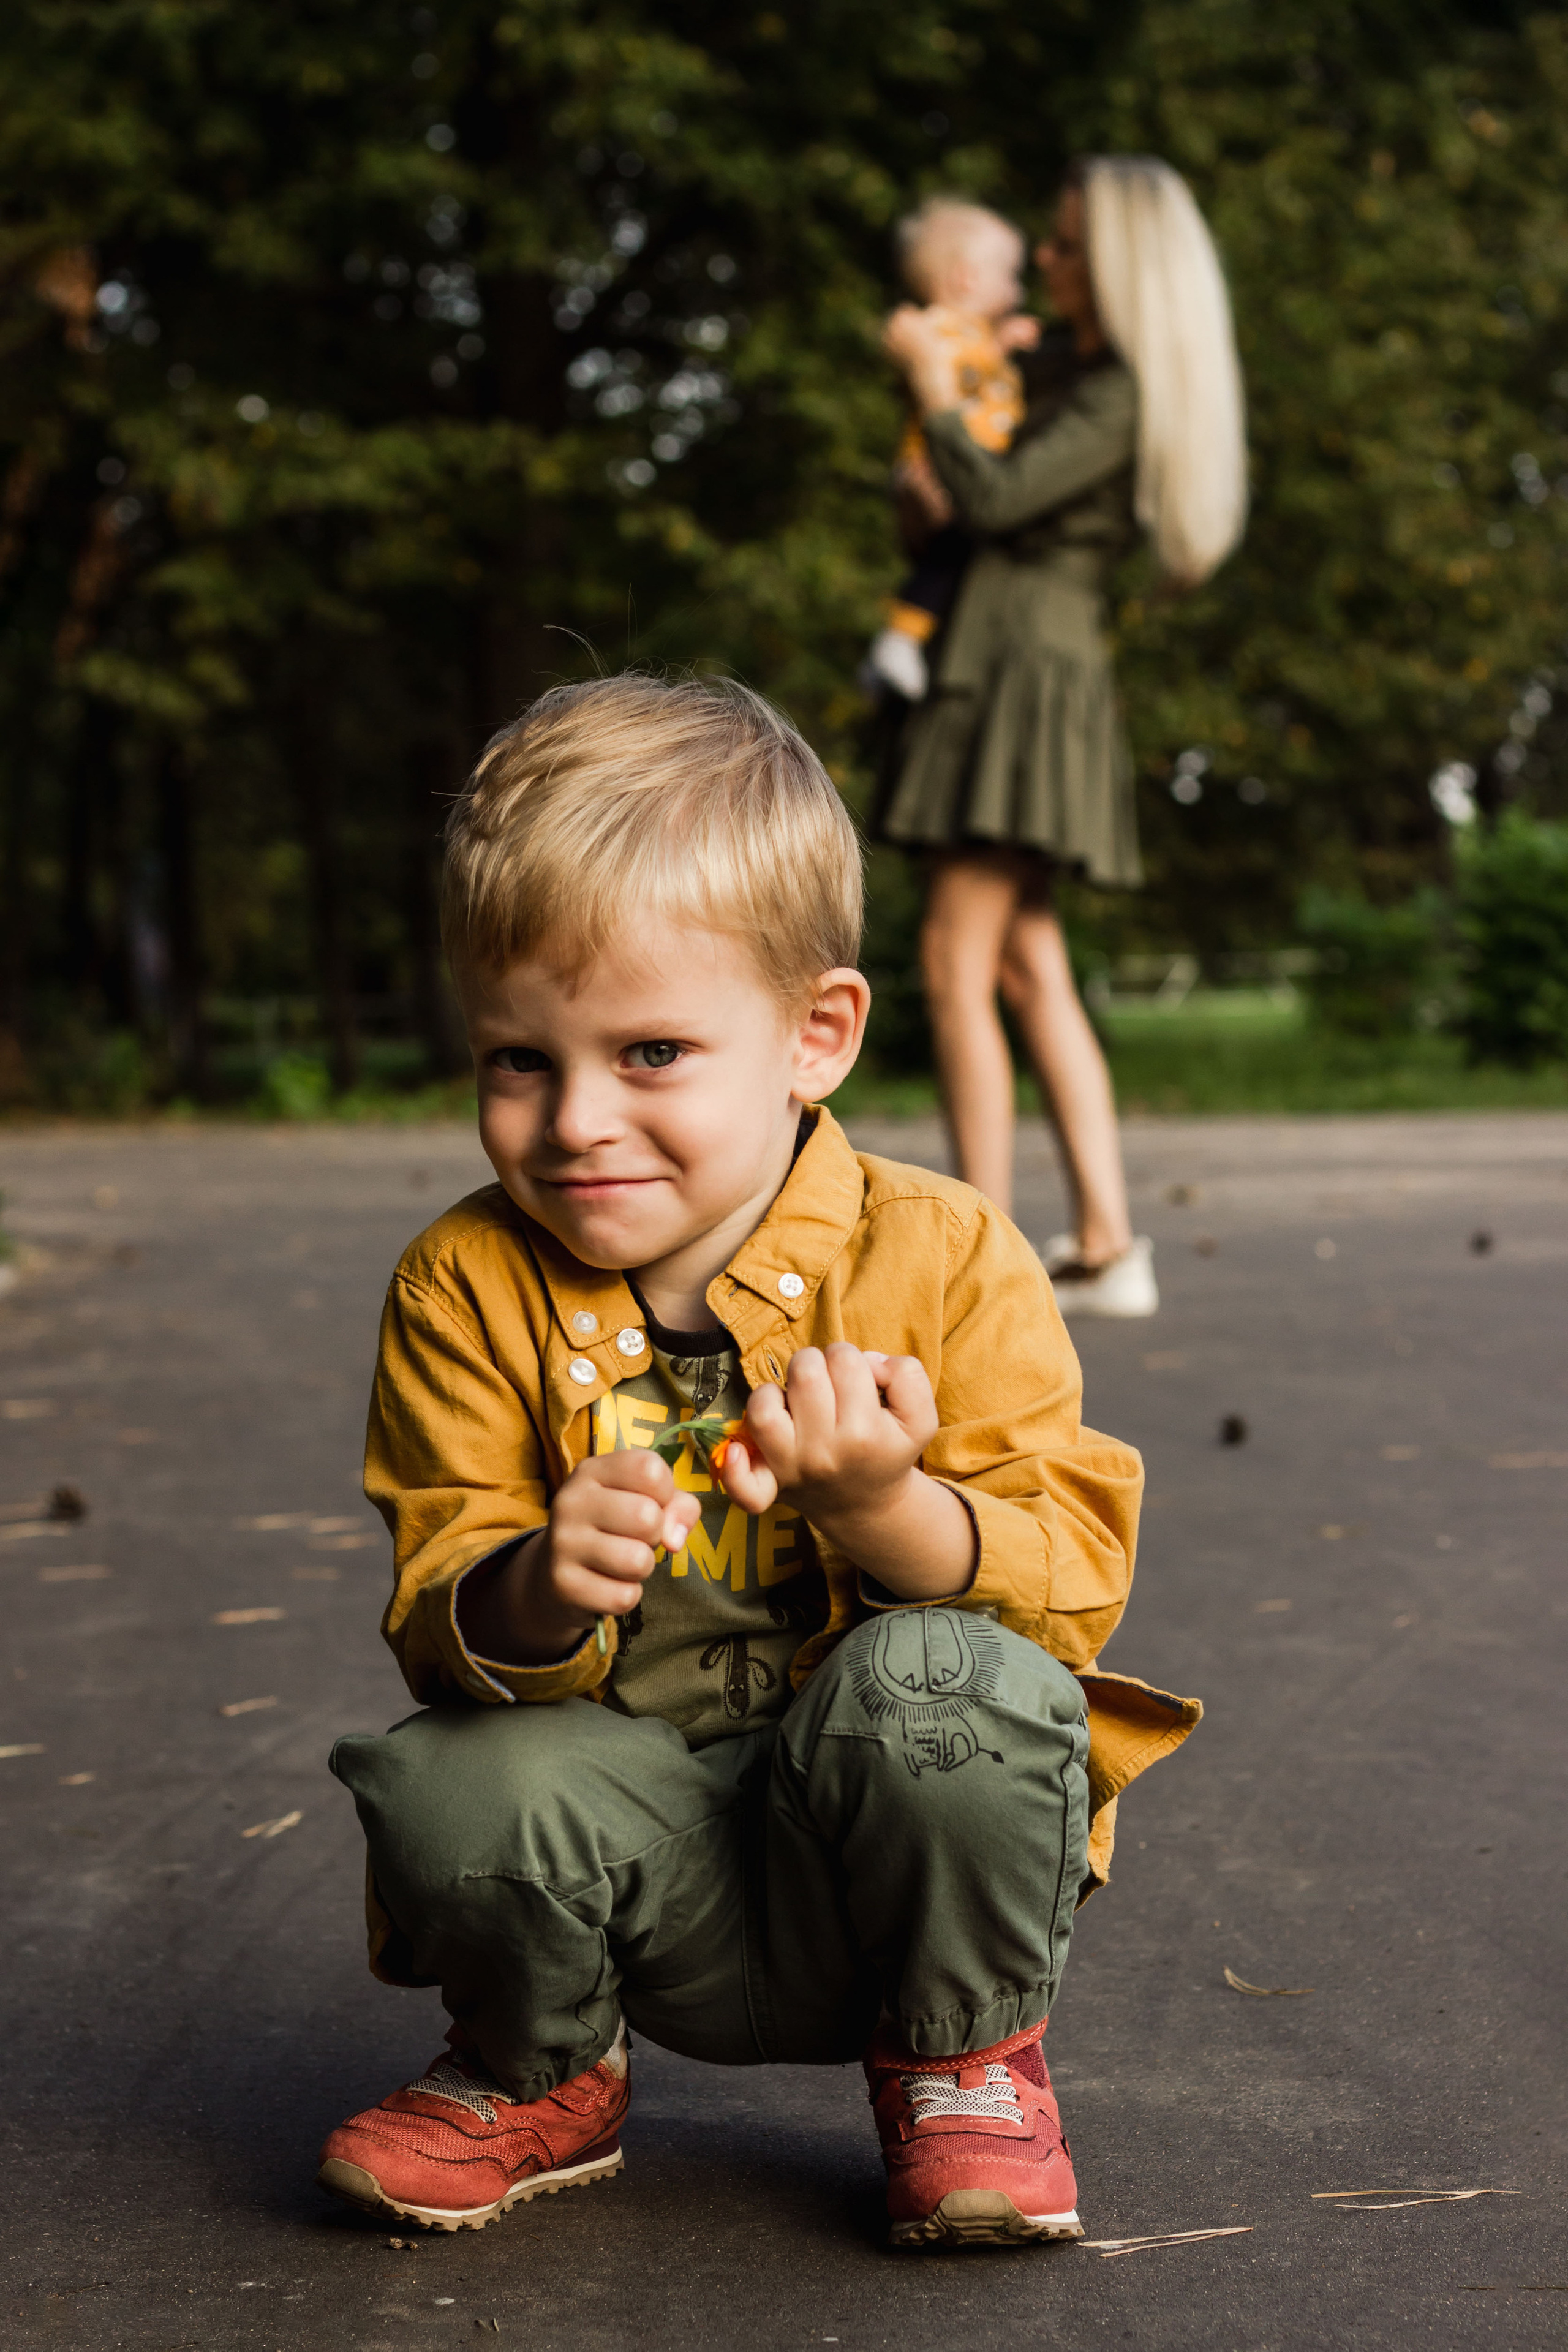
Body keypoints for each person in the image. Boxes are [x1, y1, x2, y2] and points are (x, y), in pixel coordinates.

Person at [316, 673, 1200, 2248]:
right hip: (634, 1836)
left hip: (878, 1846)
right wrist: (528, 1582)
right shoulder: (461, 1284)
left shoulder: (942, 1257)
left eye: (649, 1049)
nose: (574, 1118)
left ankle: (961, 2061)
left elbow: (1068, 1594)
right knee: (446, 1778)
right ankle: (543, 2063)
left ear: (815, 1034)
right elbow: (436, 1610)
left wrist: (886, 1506)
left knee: (953, 1683)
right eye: (517, 1057)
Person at [878, 157, 1247, 1317]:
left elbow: (995, 499)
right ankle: (1104, 1242)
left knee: (955, 962)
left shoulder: (1120, 390)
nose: (1044, 259)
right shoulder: (1068, 368)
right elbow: (956, 489)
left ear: (1119, 264)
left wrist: (933, 388)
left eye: (1066, 243)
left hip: (1020, 675)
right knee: (1027, 963)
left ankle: (976, 1266)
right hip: (1013, 658)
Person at [862, 198, 1040, 704]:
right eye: (1009, 275)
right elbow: (955, 376)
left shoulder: (970, 335)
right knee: (947, 558)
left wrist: (1000, 344)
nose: (1018, 291)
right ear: (966, 278)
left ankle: (901, 648)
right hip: (941, 472)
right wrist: (998, 349)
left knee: (949, 563)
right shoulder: (939, 329)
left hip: (963, 470)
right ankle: (898, 642)